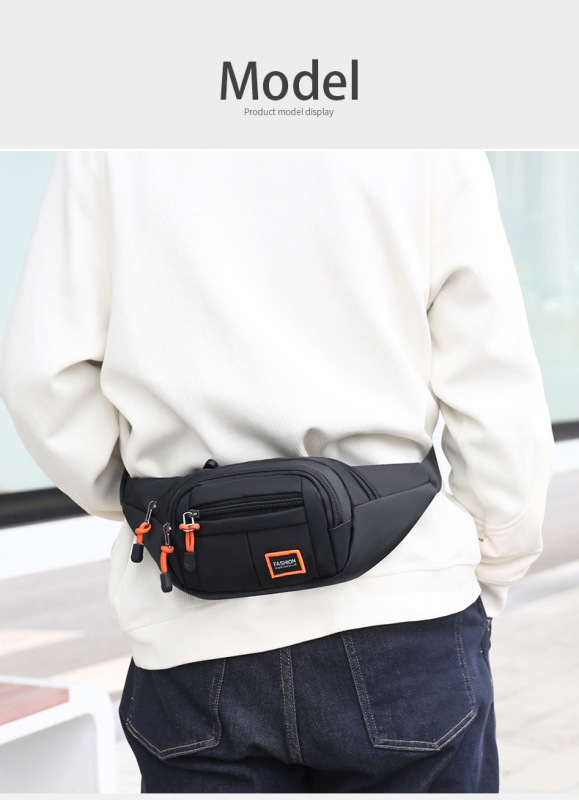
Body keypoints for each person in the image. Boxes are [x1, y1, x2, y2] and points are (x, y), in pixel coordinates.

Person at [0, 150, 553, 793]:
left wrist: (159, 514)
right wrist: (487, 567)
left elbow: (43, 381)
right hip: (403, 605)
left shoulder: (104, 138)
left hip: (193, 633)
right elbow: (496, 392)